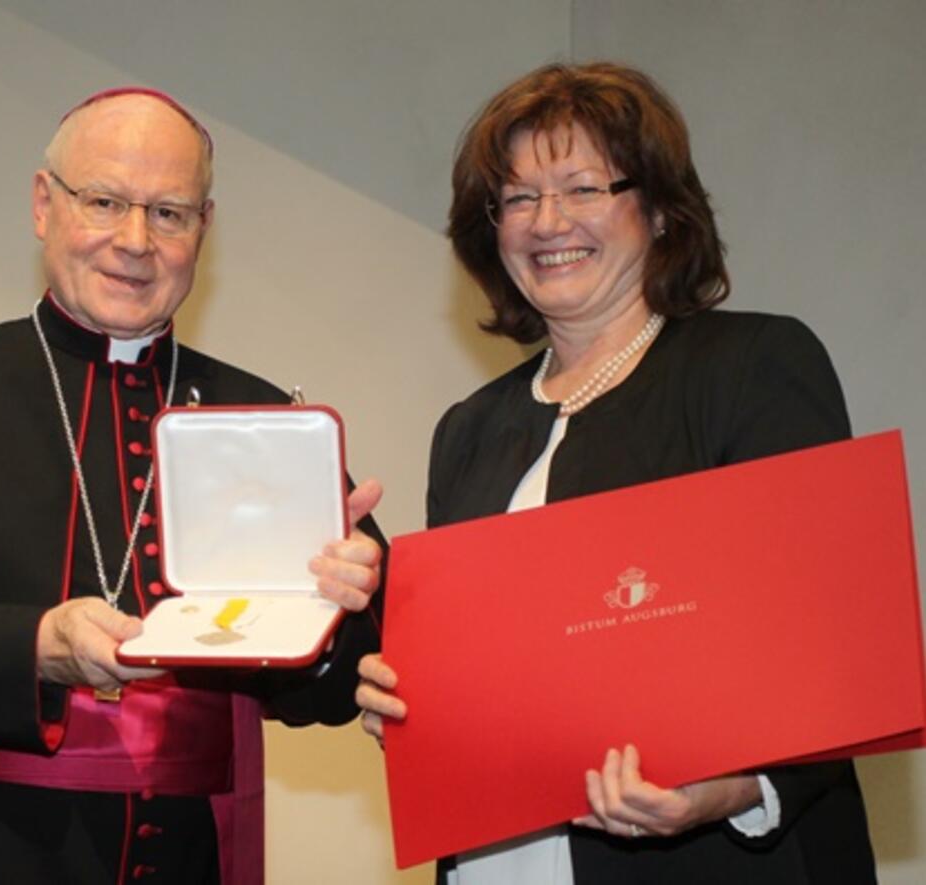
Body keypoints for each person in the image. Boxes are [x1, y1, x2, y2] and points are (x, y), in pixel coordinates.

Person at [0, 88, 383, 885]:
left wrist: (340, 606)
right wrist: (35, 646)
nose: (135, 241)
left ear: (204, 229)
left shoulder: (264, 420)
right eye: (105, 202)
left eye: (169, 213)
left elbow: (339, 689)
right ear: (44, 205)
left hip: (183, 860)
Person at [357, 62, 876, 885]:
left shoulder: (751, 366)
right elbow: (484, 678)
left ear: (661, 208)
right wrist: (409, 708)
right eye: (518, 198)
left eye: (583, 188)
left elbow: (838, 644)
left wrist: (733, 787)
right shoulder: (466, 429)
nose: (547, 221)